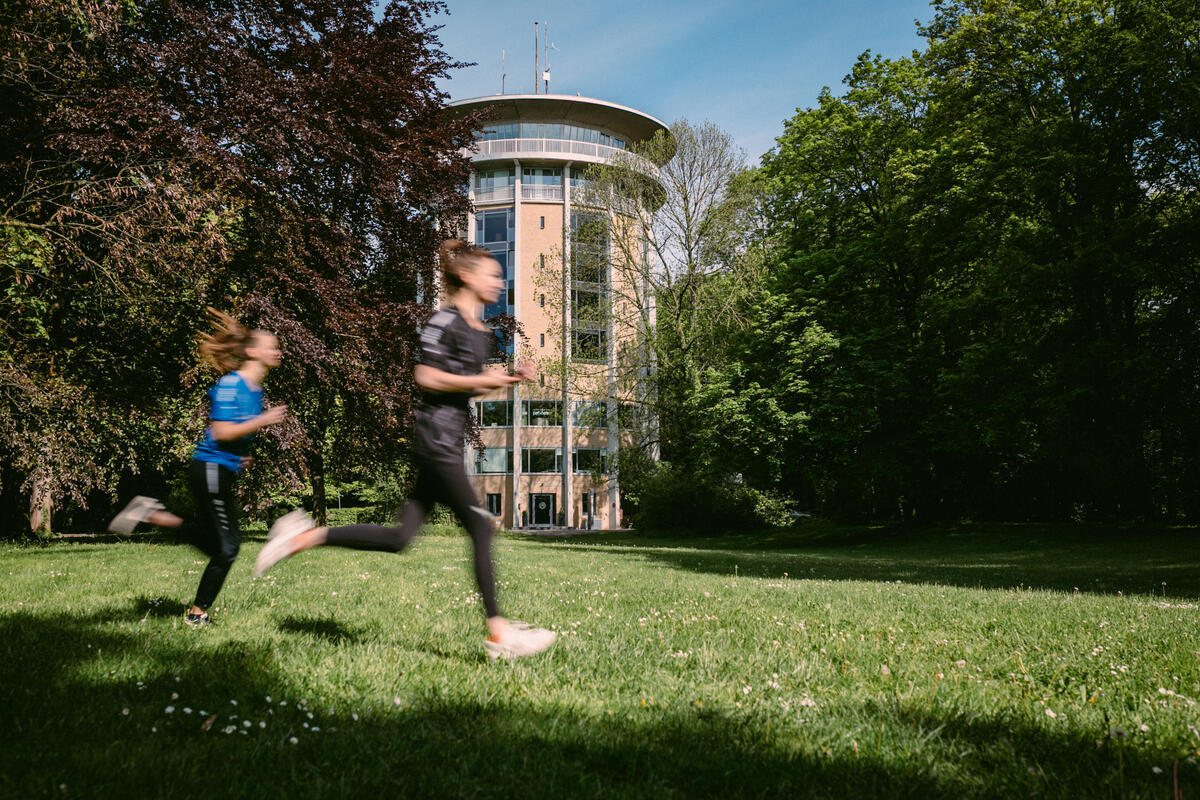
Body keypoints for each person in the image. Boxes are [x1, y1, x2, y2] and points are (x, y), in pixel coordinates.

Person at [254, 240, 556, 660]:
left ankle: (302, 537)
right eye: (492, 275)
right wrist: (482, 380)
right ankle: (499, 634)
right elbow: (426, 376)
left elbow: (469, 389)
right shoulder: (443, 322)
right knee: (481, 528)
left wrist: (508, 379)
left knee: (400, 537)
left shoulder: (480, 333)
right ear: (467, 276)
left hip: (445, 440)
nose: (499, 283)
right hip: (434, 440)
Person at [108, 309, 287, 627]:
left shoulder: (254, 390)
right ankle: (197, 614)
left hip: (221, 469)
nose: (277, 351)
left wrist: (241, 456)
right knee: (228, 548)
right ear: (252, 351)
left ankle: (151, 514)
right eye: (271, 346)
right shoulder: (232, 385)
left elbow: (233, 435)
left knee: (214, 543)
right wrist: (262, 420)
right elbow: (220, 431)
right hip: (209, 469)